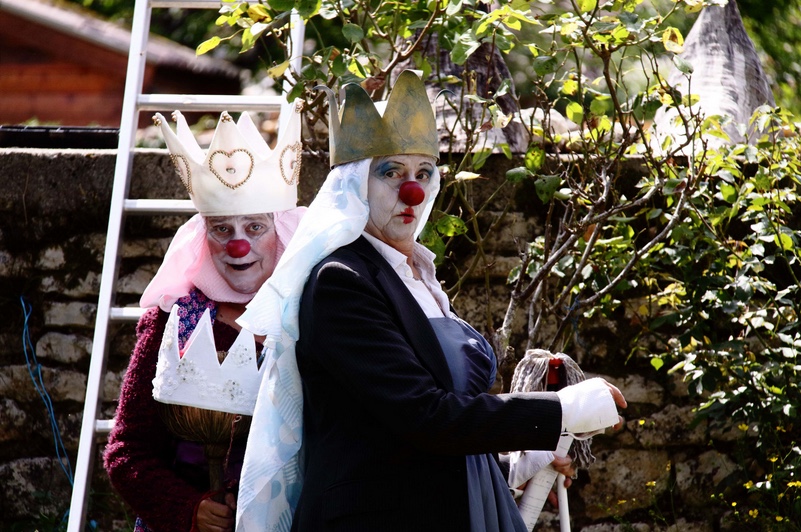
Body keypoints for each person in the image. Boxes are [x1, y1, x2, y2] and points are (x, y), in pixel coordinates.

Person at [234, 71, 626, 532]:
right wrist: (562, 409)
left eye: (423, 173)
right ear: (354, 184)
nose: (412, 191)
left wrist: (519, 461)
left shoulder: (417, 277)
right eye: (391, 173)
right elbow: (424, 416)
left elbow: (423, 441)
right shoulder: (340, 281)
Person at [103, 102, 305, 532]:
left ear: (282, 232)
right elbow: (127, 451)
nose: (238, 245)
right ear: (202, 236)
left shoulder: (310, 317)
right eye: (221, 229)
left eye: (255, 227)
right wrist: (188, 509)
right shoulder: (173, 320)